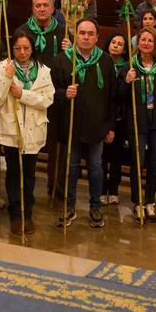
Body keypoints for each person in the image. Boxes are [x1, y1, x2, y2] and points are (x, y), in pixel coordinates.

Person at [51, 18, 117, 228]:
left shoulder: (105, 61)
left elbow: (112, 96)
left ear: (97, 37)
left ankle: (95, 207)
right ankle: (69, 207)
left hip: (97, 126)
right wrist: (64, 93)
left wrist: (110, 125)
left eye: (90, 33)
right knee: (70, 167)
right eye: (82, 33)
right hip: (71, 125)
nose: (86, 37)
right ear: (75, 35)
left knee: (96, 167)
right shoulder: (62, 60)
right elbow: (50, 93)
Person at [0, 30, 55, 234]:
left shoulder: (43, 70)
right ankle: (16, 214)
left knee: (29, 174)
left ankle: (28, 213)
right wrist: (8, 77)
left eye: (26, 48)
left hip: (34, 130)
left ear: (32, 48)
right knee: (14, 174)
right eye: (18, 48)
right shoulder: (3, 67)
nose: (22, 52)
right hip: (12, 130)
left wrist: (23, 94)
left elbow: (47, 99)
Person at [122, 26, 156, 224]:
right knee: (138, 162)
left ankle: (150, 202)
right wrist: (126, 82)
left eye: (150, 40)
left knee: (154, 164)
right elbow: (120, 97)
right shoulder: (130, 65)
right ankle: (137, 203)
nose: (145, 43)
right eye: (142, 39)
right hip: (138, 121)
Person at [102, 33, 130, 207]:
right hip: (102, 116)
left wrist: (125, 82)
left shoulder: (126, 67)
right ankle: (101, 189)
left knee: (116, 156)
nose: (116, 46)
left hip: (119, 117)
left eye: (120, 44)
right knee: (102, 156)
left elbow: (123, 94)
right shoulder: (102, 63)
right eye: (113, 42)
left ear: (124, 49)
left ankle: (113, 190)